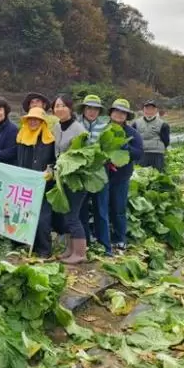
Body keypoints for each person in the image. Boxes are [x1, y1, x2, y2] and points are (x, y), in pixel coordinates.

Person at [51, 95, 88, 264]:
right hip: (62, 177)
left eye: (63, 106)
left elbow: (82, 156)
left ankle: (80, 253)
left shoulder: (78, 130)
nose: (59, 109)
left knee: (73, 215)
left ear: (70, 108)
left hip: (76, 178)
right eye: (56, 106)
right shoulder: (57, 127)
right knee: (66, 214)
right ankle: (70, 249)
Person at [16, 107, 55, 258]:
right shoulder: (21, 136)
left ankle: (45, 249)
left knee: (43, 216)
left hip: (43, 184)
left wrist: (50, 172)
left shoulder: (48, 139)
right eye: (30, 119)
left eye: (37, 119)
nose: (33, 122)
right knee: (27, 214)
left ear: (42, 122)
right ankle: (31, 245)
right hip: (26, 183)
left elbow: (54, 160)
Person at [106, 99, 143, 255]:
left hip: (121, 177)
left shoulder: (132, 134)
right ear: (111, 113)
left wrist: (126, 147)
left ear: (127, 116)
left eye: (123, 112)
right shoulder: (103, 130)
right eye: (116, 111)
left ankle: (120, 239)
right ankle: (103, 238)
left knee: (118, 209)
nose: (119, 114)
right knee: (101, 209)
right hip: (102, 176)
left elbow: (139, 154)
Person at [77, 94, 111, 255]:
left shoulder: (105, 127)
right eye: (89, 108)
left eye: (95, 109)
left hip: (98, 174)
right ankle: (86, 245)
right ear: (84, 109)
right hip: (80, 174)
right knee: (81, 211)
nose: (92, 112)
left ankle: (106, 247)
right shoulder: (75, 125)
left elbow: (109, 149)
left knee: (101, 210)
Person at [132, 100, 170, 172]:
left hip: (157, 153)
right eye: (147, 109)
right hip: (142, 153)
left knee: (158, 175)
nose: (149, 111)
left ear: (156, 110)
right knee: (141, 174)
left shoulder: (163, 124)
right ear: (143, 110)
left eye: (152, 109)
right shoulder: (136, 123)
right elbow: (133, 139)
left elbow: (166, 141)